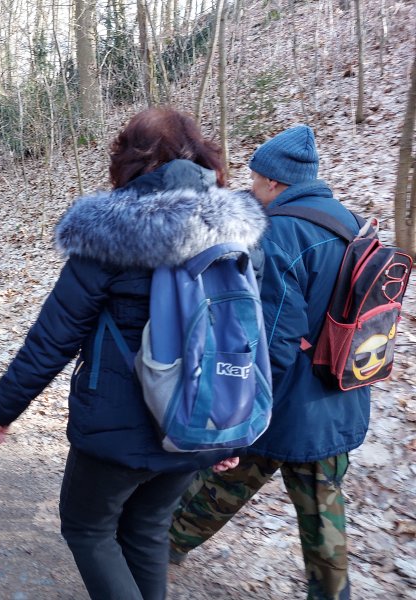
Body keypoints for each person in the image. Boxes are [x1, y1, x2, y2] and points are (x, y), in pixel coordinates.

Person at [0, 107, 266, 599]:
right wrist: (233, 429)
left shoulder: (107, 233)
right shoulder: (238, 231)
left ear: (129, 160)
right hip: (196, 417)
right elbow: (253, 335)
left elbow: (56, 333)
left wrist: (5, 408)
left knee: (88, 528)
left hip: (119, 424)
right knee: (148, 528)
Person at [169, 125, 371, 600]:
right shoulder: (351, 223)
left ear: (277, 183)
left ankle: (164, 540)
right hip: (342, 391)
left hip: (285, 400)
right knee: (323, 511)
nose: (251, 187)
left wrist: (243, 409)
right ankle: (332, 594)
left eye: (256, 179)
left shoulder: (278, 233)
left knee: (223, 480)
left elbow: (273, 337)